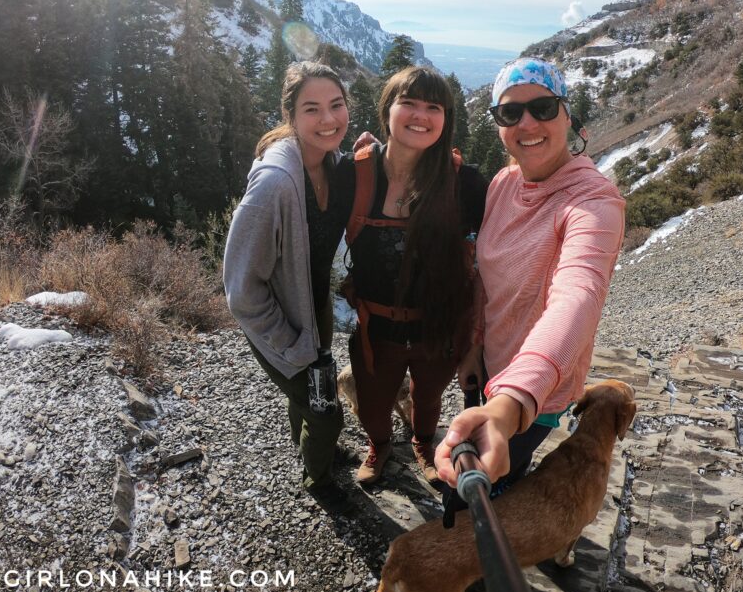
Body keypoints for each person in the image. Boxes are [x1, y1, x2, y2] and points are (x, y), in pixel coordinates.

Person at [434, 57, 625, 491]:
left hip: (535, 394)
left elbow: (578, 296)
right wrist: (474, 348)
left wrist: (510, 404)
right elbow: (487, 279)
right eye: (510, 112)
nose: (527, 122)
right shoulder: (504, 183)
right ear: (498, 122)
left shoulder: (594, 202)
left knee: (486, 485)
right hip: (491, 366)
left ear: (567, 114)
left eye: (542, 107)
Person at [345, 66, 487, 485]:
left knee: (429, 397)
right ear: (387, 109)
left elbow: (501, 246)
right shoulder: (353, 175)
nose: (421, 115)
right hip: (375, 325)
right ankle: (381, 445)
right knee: (373, 403)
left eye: (434, 107)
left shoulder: (466, 182)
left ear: (447, 120)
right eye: (409, 102)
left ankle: (424, 443)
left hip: (440, 325)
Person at [224, 61, 355, 507]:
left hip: (311, 309)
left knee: (306, 393)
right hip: (280, 323)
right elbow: (240, 289)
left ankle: (310, 448)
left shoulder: (332, 167)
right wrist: (290, 343)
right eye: (312, 109)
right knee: (326, 410)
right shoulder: (276, 183)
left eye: (336, 105)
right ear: (291, 116)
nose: (328, 119)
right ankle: (318, 480)